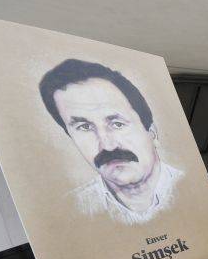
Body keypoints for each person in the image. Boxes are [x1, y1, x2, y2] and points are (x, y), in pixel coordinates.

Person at [39, 59, 184, 225]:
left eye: (117, 124)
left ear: (152, 134)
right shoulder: (70, 211)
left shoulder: (192, 187)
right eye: (85, 127)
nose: (108, 145)